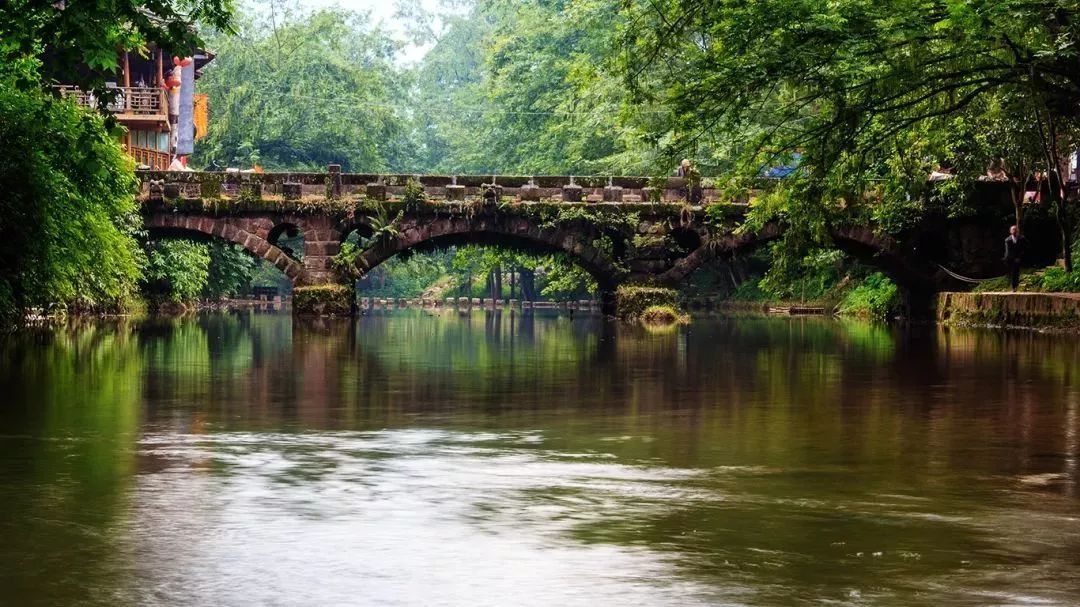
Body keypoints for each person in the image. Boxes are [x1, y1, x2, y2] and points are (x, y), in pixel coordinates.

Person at [1003, 225, 1027, 291]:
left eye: (1015, 229)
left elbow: (1024, 249)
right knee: (1012, 272)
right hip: (1010, 258)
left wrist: (1019, 257)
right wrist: (1014, 259)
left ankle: (1015, 286)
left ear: (1018, 231)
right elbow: (1008, 251)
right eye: (1013, 229)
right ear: (1010, 231)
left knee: (1016, 272)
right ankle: (1013, 286)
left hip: (1019, 257)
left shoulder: (1022, 239)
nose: (1014, 231)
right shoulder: (1008, 240)